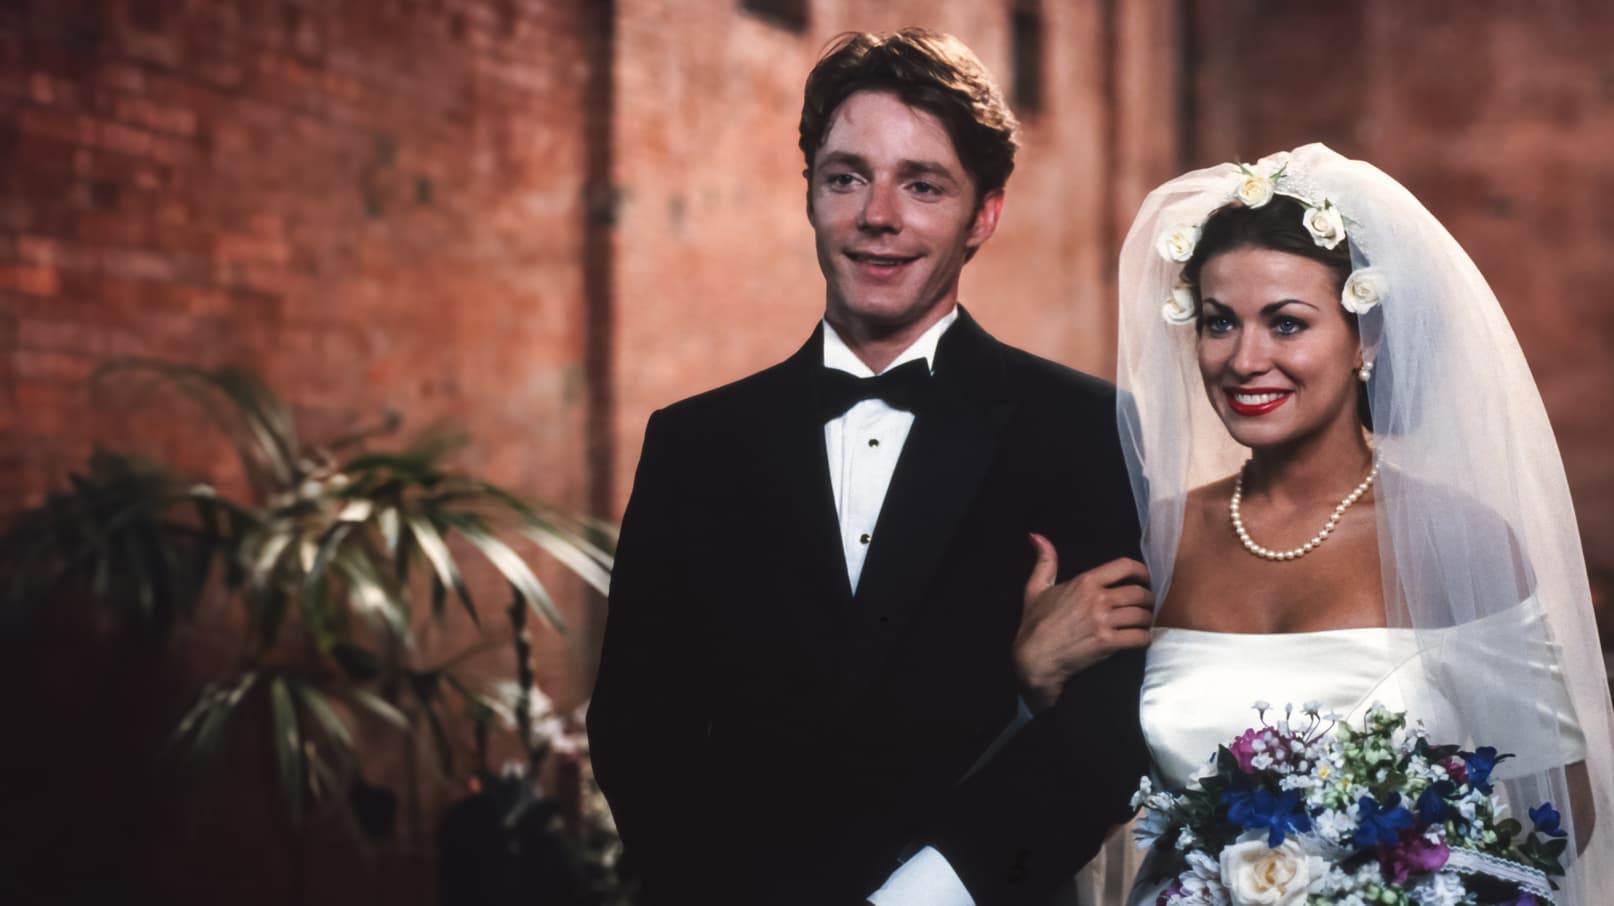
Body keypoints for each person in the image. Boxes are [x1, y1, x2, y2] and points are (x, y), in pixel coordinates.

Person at [587, 28, 1153, 906]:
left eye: (922, 185)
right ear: (811, 195)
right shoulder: (693, 443)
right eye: (847, 177)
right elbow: (636, 728)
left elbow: (1108, 733)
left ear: (983, 216)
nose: (877, 215)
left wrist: (918, 897)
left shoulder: (1083, 429)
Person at [1018, 143, 1614, 902]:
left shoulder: (1454, 539)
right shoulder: (1159, 537)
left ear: (1367, 337)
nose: (1245, 359)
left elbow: (1558, 812)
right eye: (1219, 323)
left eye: (1287, 324)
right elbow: (1087, 790)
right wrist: (1033, 680)